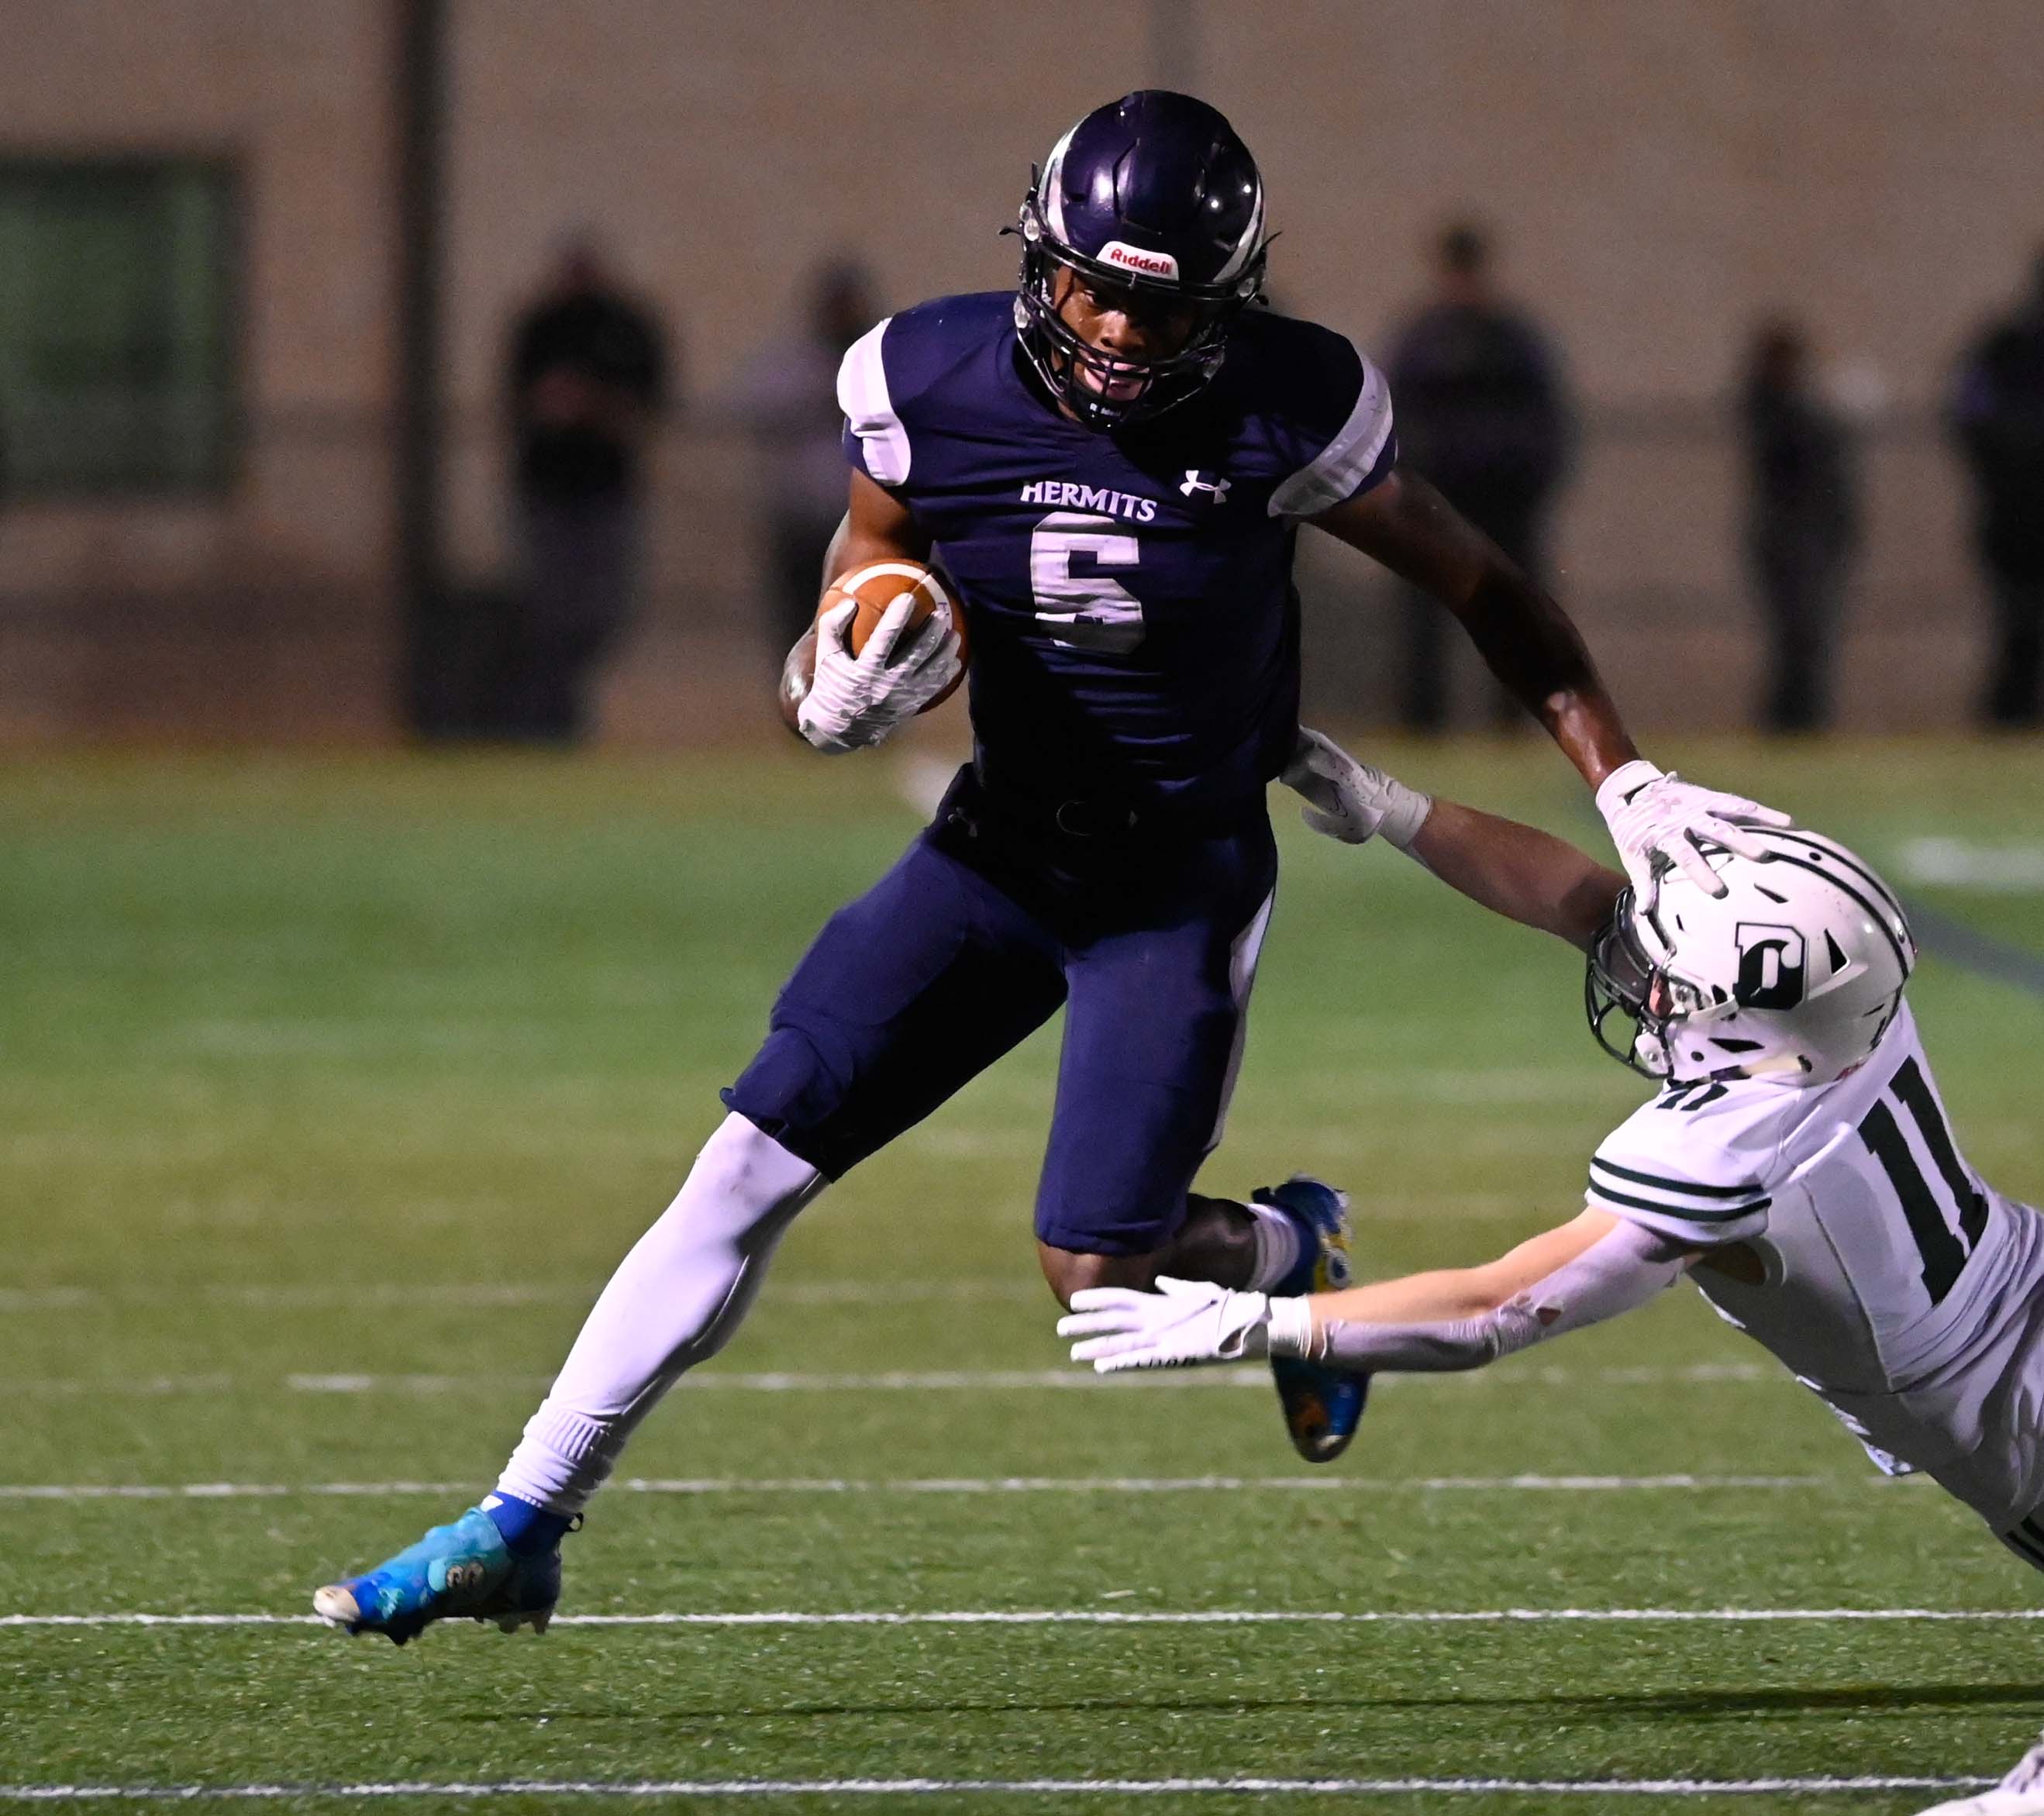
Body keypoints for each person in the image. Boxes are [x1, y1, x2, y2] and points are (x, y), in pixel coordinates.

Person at [313, 91, 1780, 1645]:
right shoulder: (923, 371)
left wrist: (1620, 777)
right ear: (1038, 255)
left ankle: (1290, 1249)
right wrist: (847, 637)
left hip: (1175, 880)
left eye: (1158, 301)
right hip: (997, 846)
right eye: (1091, 284)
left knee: (1096, 1268)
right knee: (745, 1160)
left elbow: (1493, 594)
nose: (1117, 328)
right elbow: (873, 537)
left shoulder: (1292, 405)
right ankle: (522, 1515)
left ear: (1224, 299)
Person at [1062, 730, 2044, 1597]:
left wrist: (1254, 1322)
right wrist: (1399, 812)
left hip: (2018, 1425)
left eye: (1669, 980)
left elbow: (1493, 1308)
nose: (1649, 989)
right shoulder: (1838, 1009)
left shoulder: (1730, 1149)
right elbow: (1587, 903)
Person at [1384, 222, 1574, 732]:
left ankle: (1509, 723)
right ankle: (1422, 725)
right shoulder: (1422, 340)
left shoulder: (1512, 340)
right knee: (1424, 624)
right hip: (1432, 509)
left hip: (1504, 507)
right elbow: (1388, 418)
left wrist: (1529, 483)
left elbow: (1546, 421)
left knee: (1509, 623)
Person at [502, 237, 672, 741]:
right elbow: (515, 403)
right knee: (550, 609)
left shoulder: (625, 328)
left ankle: (566, 701)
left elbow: (652, 405)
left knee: (607, 606)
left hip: (607, 488)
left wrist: (597, 406)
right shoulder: (540, 328)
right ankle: (551, 720)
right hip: (547, 488)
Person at [729, 260, 883, 658]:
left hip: (867, 520)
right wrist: (818, 399)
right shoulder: (793, 362)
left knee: (867, 621)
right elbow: (752, 406)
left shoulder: (884, 361)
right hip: (800, 518)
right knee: (798, 621)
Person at [1741, 319, 1860, 733]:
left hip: (1809, 535)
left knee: (1808, 635)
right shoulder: (1771, 408)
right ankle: (1793, 722)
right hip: (1791, 536)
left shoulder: (1786, 409)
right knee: (1798, 635)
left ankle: (1801, 720)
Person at [1951, 250, 2044, 729]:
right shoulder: (2005, 347)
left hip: (2012, 509)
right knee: (2019, 623)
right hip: (2015, 513)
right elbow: (1969, 416)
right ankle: (2011, 717)